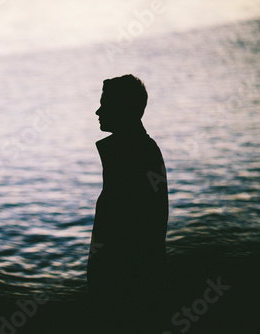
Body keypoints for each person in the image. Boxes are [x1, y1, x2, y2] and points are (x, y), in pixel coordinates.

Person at [87, 74, 169, 329]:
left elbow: (128, 232)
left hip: (126, 288)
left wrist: (103, 283)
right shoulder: (135, 150)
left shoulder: (133, 156)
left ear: (123, 109)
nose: (98, 111)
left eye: (105, 104)